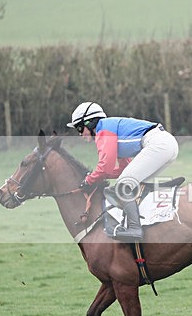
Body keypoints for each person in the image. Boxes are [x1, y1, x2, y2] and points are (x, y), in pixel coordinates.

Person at [67, 101, 179, 241]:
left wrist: (89, 180)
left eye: (79, 128)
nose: (79, 134)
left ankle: (134, 228)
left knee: (122, 185)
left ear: (89, 123)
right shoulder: (111, 128)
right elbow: (122, 169)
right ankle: (148, 216)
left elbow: (105, 166)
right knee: (131, 183)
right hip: (166, 144)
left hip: (158, 144)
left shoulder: (103, 130)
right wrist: (97, 176)